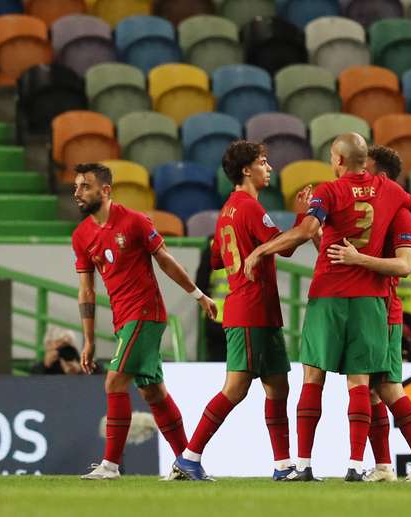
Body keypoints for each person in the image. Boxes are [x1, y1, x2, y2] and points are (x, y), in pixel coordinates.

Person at [243, 133, 411, 482]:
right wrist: (396, 205)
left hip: (330, 295)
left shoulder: (329, 191)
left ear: (339, 161)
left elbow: (308, 230)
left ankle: (303, 464)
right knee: (362, 383)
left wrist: (262, 250)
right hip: (370, 302)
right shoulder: (389, 192)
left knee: (313, 378)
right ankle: (358, 465)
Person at [172, 141, 310, 482]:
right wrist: (304, 216)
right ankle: (189, 457)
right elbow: (288, 249)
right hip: (250, 309)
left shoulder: (226, 211)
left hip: (260, 310)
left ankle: (282, 466)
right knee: (235, 388)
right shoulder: (249, 207)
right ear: (246, 170)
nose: (269, 168)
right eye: (263, 162)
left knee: (278, 387)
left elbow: (218, 259)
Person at [72, 162, 217, 480]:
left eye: (85, 186)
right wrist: (89, 340)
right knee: (153, 392)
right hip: (123, 319)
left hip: (145, 314)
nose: (77, 192)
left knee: (115, 381)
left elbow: (165, 261)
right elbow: (86, 290)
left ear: (105, 190)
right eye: (76, 187)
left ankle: (110, 466)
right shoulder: (81, 235)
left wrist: (199, 296)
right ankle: (187, 463)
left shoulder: (135, 222)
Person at [325, 144, 411, 482]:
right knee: (377, 388)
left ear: (383, 177)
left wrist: (359, 259)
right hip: (367, 305)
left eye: (367, 169)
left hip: (383, 309)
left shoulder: (399, 212)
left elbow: (404, 265)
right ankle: (387, 466)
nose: (361, 176)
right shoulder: (371, 207)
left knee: (386, 387)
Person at [195, 234, 228, 361]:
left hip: (215, 315)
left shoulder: (212, 245)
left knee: (217, 367)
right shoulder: (250, 243)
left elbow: (200, 283)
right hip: (242, 319)